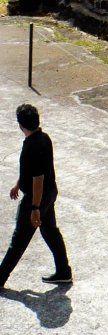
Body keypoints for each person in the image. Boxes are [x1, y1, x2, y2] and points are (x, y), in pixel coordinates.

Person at [0, 104, 72, 289]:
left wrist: (34, 209)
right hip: (50, 193)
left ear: (20, 125)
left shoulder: (32, 146)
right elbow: (34, 170)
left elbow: (38, 179)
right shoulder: (44, 138)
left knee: (19, 238)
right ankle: (63, 271)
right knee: (50, 231)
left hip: (38, 198)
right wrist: (19, 183)